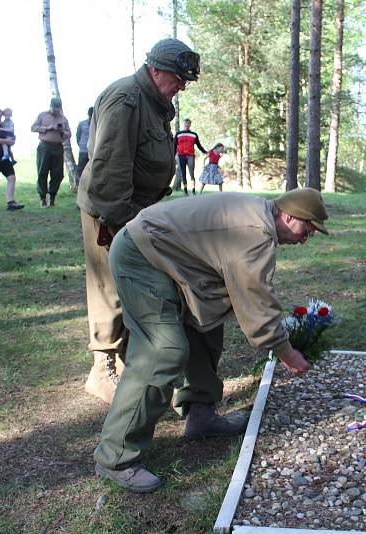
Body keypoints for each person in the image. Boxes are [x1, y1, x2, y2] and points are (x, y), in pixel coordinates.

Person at [93, 188, 324, 492]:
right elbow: (258, 305)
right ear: (289, 215)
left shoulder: (259, 219)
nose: (307, 237)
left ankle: (201, 417)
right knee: (162, 351)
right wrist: (287, 352)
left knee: (206, 327)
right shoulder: (255, 233)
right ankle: (115, 456)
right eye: (307, 228)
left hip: (172, 259)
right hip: (141, 257)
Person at [77, 38, 200, 404]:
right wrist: (122, 225)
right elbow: (109, 168)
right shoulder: (126, 99)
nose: (182, 86)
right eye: (179, 78)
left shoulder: (155, 100)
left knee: (135, 283)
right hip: (111, 208)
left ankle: (132, 361)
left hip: (138, 209)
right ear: (156, 69)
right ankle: (102, 369)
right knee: (110, 287)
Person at [31, 97, 71, 208]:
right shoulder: (42, 115)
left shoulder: (63, 119)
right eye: (54, 108)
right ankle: (42, 198)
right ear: (50, 106)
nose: (56, 111)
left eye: (58, 109)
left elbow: (69, 134)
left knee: (58, 174)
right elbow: (33, 128)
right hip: (45, 146)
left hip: (58, 147)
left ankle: (52, 198)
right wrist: (47, 128)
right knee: (42, 171)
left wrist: (62, 131)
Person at [174, 118, 207, 195]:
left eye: (188, 123)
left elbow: (199, 145)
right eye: (185, 123)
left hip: (190, 156)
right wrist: (173, 155)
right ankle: (185, 190)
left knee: (191, 172)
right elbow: (174, 146)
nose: (187, 125)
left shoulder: (194, 134)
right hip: (181, 155)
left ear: (190, 125)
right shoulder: (178, 134)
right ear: (183, 124)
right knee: (183, 172)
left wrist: (205, 152)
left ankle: (193, 189)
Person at [76, 106, 93, 179]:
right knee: (81, 169)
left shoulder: (98, 124)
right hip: (83, 150)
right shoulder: (82, 124)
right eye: (90, 116)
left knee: (92, 170)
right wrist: (81, 145)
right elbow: (78, 136)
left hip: (93, 151)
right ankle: (79, 185)